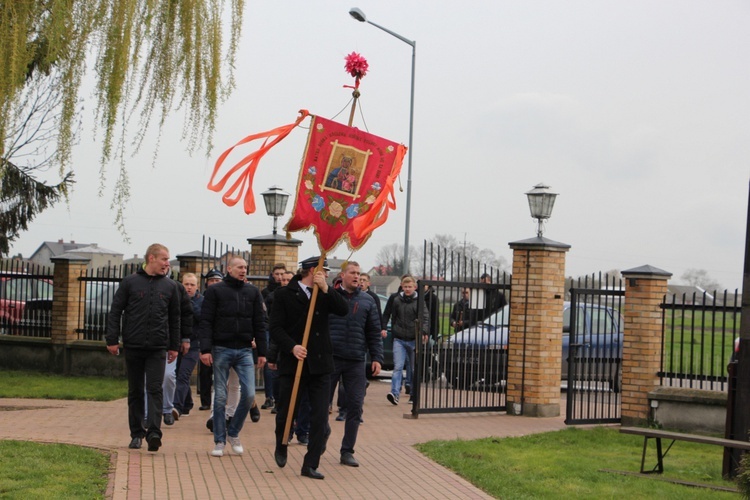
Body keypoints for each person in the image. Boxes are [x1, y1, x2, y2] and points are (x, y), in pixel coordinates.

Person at [270, 256, 348, 480]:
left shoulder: (324, 293)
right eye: (325, 271)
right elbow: (275, 328)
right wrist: (292, 347)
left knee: (320, 417)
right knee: (287, 411)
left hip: (320, 363)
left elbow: (343, 310)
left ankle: (310, 463)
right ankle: (282, 443)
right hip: (294, 362)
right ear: (313, 270)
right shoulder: (284, 294)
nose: (328, 274)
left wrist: (327, 289)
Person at [105, 243, 181, 452]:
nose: (168, 263)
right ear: (151, 259)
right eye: (164, 259)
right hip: (134, 345)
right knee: (136, 391)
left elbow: (175, 318)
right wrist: (112, 339)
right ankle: (136, 433)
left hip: (158, 347)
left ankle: (154, 433)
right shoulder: (130, 282)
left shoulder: (170, 287)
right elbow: (115, 311)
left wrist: (174, 346)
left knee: (155, 389)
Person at [198, 256, 267, 457]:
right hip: (221, 348)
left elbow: (259, 323)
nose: (243, 270)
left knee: (250, 393)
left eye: (245, 267)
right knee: (220, 396)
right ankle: (219, 440)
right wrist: (205, 349)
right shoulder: (215, 291)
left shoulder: (253, 292)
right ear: (229, 269)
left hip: (245, 349)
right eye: (239, 267)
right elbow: (206, 321)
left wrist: (262, 351)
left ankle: (234, 432)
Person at [328, 261, 382, 467]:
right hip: (331, 358)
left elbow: (373, 332)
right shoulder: (330, 297)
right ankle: (321, 436)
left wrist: (376, 358)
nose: (356, 276)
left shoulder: (367, 301)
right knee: (322, 404)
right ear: (342, 275)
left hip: (356, 360)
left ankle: (347, 450)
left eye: (359, 273)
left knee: (356, 406)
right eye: (352, 273)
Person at [382, 275, 430, 406]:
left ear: (415, 287)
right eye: (405, 287)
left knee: (414, 369)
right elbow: (388, 314)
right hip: (399, 338)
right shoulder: (396, 300)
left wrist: (424, 332)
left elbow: (425, 317)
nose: (408, 289)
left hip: (414, 338)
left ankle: (414, 395)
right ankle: (394, 393)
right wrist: (384, 327)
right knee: (397, 367)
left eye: (410, 287)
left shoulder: (420, 301)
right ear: (402, 287)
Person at [172, 273, 203, 418]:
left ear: (197, 287)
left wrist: (189, 304)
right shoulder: (175, 299)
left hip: (195, 345)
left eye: (192, 285)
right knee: (178, 374)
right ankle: (187, 403)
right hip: (177, 343)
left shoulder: (202, 301)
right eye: (186, 284)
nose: (189, 288)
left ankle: (176, 407)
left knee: (183, 375)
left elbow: (202, 318)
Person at [261, 263, 286, 410]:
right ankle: (269, 396)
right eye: (277, 274)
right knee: (269, 362)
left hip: (282, 330)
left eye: (282, 274)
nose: (280, 277)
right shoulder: (266, 293)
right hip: (268, 329)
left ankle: (280, 397)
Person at [197, 269, 223, 411]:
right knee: (205, 371)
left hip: (221, 339)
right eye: (212, 280)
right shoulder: (202, 298)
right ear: (207, 283)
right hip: (207, 338)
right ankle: (205, 401)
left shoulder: (225, 297)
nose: (214, 283)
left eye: (217, 280)